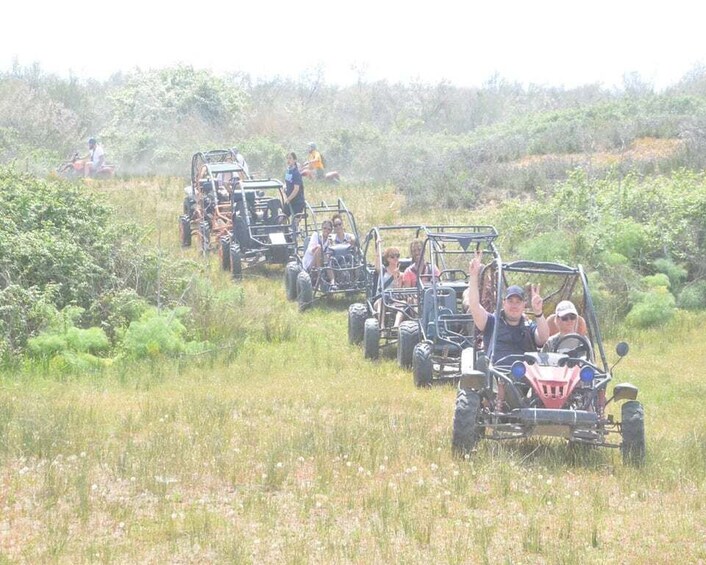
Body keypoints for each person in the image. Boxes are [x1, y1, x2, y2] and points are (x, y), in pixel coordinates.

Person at [462, 250, 549, 364]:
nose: (514, 305)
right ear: (503, 303)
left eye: (518, 302)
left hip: (526, 375)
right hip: (498, 375)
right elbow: (474, 306)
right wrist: (473, 276)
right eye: (510, 301)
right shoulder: (491, 322)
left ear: (524, 305)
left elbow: (543, 338)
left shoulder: (528, 326)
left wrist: (538, 312)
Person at [283, 152, 305, 218]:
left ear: (295, 160)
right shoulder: (288, 171)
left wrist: (289, 199)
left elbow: (296, 189)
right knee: (282, 217)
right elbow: (287, 182)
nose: (288, 160)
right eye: (287, 158)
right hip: (289, 200)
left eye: (290, 158)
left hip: (297, 201)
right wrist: (285, 186)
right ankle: (283, 228)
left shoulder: (296, 173)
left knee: (295, 221)